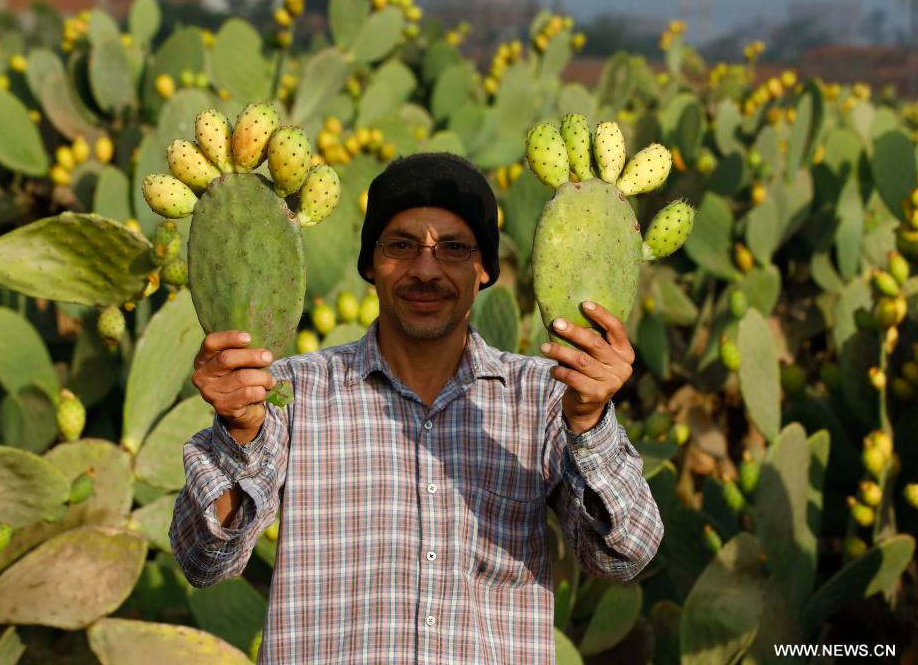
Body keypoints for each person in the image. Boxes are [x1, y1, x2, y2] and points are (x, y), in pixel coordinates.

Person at [169, 152, 664, 664]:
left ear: (485, 270)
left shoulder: (545, 398)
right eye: (401, 246)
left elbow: (625, 554)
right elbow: (204, 560)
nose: (425, 270)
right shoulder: (291, 394)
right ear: (370, 264)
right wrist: (238, 431)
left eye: (454, 248)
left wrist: (588, 422)